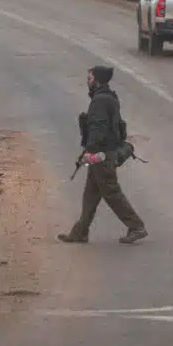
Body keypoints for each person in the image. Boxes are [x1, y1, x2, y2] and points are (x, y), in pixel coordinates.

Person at [58, 65, 147, 245]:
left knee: (112, 193)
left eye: (90, 79)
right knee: (90, 194)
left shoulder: (100, 101)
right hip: (103, 153)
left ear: (97, 81)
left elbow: (98, 129)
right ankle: (80, 232)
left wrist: (89, 151)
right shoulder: (108, 97)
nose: (87, 82)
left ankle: (136, 226)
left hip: (102, 155)